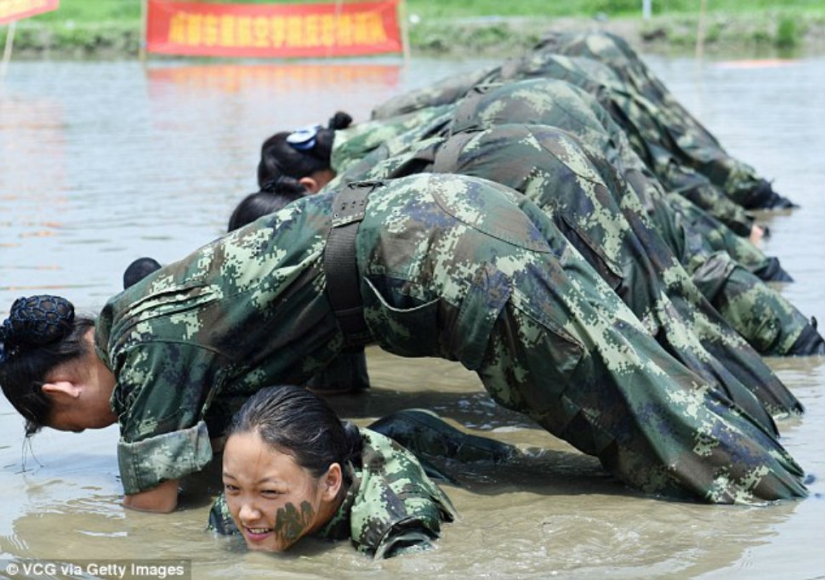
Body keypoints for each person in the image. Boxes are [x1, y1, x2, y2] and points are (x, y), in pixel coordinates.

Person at [0, 173, 807, 515]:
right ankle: (779, 468)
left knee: (642, 429)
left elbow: (149, 509)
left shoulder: (145, 354)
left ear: (65, 390)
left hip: (439, 258)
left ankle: (781, 506)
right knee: (642, 375)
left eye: (76, 429)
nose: (100, 430)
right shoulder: (144, 308)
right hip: (451, 213)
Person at [207, 385, 456, 558]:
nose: (247, 514)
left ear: (330, 482)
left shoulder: (394, 522)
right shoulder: (235, 505)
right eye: (232, 487)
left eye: (269, 492)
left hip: (430, 444)